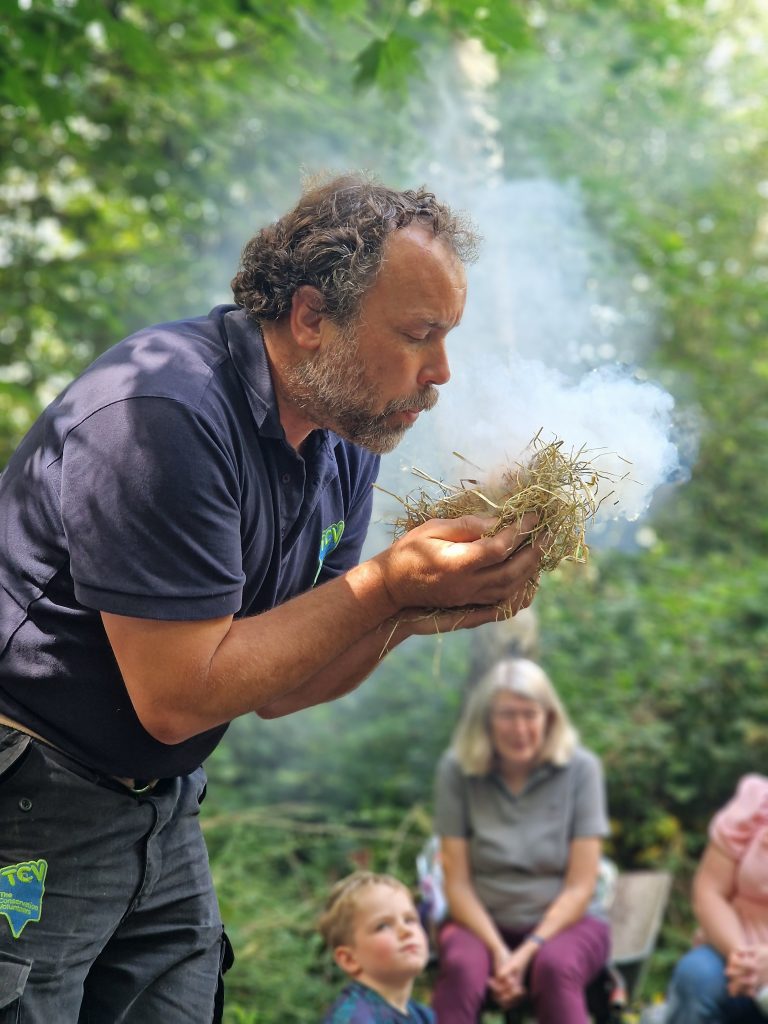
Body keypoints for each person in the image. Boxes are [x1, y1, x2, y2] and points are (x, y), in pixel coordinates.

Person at [0, 174, 546, 1023]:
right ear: (308, 316)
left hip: (158, 801)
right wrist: (387, 584)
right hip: (33, 795)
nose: (440, 372)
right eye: (418, 335)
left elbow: (287, 683)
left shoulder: (347, 436)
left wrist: (417, 608)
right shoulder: (163, 414)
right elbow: (179, 700)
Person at [430, 657, 611, 1024]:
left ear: (550, 718)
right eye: (507, 715)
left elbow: (581, 886)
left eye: (530, 714)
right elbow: (457, 883)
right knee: (463, 969)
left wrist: (528, 950)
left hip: (566, 924)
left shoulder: (581, 770)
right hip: (480, 921)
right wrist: (499, 950)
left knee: (556, 968)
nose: (520, 728)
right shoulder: (456, 770)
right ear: (485, 721)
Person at [661, 774, 768, 1023]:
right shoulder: (757, 803)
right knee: (696, 977)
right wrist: (744, 959)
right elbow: (710, 891)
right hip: (733, 949)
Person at [319, 871, 435, 1023]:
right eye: (383, 926)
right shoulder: (352, 1019)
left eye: (410, 919)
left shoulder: (421, 1015)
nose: (405, 931)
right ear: (349, 959)